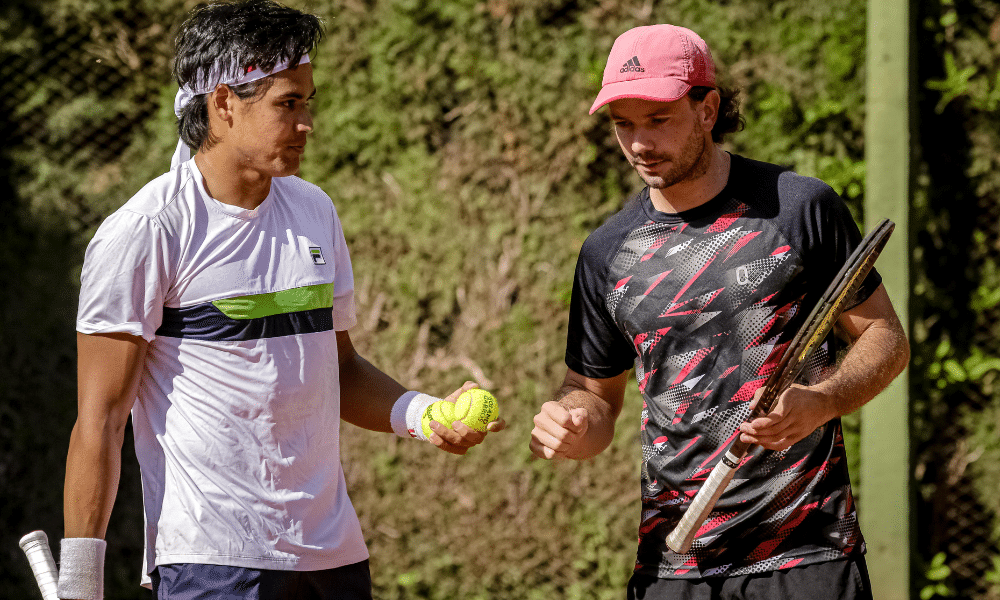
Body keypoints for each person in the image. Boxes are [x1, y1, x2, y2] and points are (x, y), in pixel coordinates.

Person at [58, 1, 503, 598]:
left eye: (306, 102)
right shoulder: (145, 230)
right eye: (286, 104)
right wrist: (80, 583)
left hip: (333, 558)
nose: (306, 123)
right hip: (214, 562)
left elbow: (337, 368)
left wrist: (426, 416)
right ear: (223, 105)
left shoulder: (315, 211)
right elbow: (101, 420)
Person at [529, 24, 909, 600]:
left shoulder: (799, 207)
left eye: (658, 120)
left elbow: (884, 338)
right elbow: (594, 396)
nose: (638, 143)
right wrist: (573, 422)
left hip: (806, 552)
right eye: (623, 123)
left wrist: (824, 400)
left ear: (708, 109)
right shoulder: (606, 252)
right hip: (672, 563)